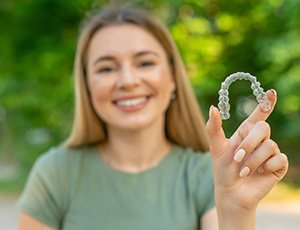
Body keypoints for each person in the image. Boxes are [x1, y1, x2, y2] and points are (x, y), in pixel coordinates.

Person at [17, 5, 289, 230]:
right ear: (86, 84)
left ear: (172, 78)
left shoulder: (209, 174)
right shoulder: (55, 174)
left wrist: (235, 212)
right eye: (106, 68)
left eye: (145, 62)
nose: (127, 80)